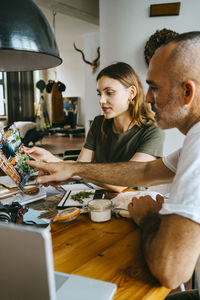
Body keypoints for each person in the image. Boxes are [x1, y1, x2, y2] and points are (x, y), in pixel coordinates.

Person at [28, 31, 200, 299]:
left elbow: (172, 271)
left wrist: (148, 216)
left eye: (154, 87)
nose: (149, 98)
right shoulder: (193, 141)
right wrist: (68, 167)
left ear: (187, 92)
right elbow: (143, 171)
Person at [25, 62, 164, 192]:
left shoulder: (152, 130)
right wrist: (50, 158)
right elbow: (81, 166)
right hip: (95, 199)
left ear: (131, 93)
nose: (101, 100)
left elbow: (119, 184)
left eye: (109, 92)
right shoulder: (99, 123)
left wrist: (73, 170)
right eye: (100, 93)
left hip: (130, 208)